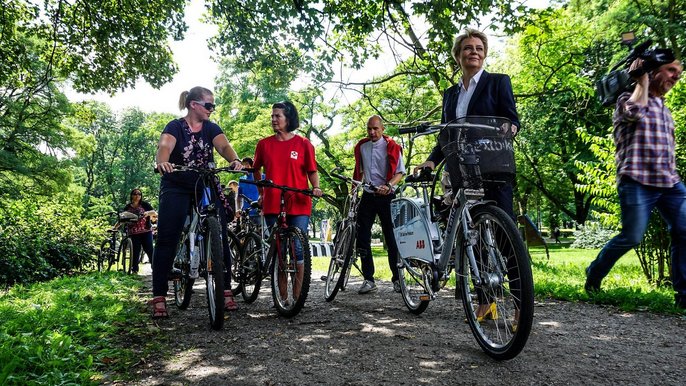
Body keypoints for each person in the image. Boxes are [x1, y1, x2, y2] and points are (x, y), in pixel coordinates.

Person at [413, 28, 520, 320]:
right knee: (475, 234)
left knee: (504, 234)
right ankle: (486, 301)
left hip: (494, 165)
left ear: (484, 54)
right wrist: (431, 162)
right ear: (458, 55)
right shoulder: (450, 95)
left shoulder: (498, 83)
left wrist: (508, 128)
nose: (474, 51)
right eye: (468, 48)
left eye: (479, 48)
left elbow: (512, 119)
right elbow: (446, 134)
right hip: (462, 169)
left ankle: (521, 305)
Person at [585, 57, 686, 309]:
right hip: (637, 180)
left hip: (669, 183)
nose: (677, 76)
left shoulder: (663, 107)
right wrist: (640, 80)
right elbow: (635, 111)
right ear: (653, 73)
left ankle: (683, 296)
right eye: (671, 70)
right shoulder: (625, 100)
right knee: (631, 236)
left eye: (679, 72)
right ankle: (594, 274)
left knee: (684, 232)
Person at [151, 86, 243, 319]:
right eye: (209, 105)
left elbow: (223, 146)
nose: (212, 109)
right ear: (194, 105)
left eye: (213, 105)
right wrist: (163, 162)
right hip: (177, 183)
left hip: (204, 182)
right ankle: (159, 295)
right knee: (167, 236)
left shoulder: (211, 128)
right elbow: (165, 147)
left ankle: (225, 289)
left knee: (220, 231)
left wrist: (234, 160)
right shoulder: (174, 127)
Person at [252, 101, 323, 303]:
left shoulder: (303, 144)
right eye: (272, 116)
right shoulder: (264, 144)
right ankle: (280, 297)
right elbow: (255, 169)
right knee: (280, 250)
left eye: (278, 116)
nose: (273, 119)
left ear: (288, 119)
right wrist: (261, 190)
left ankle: (298, 296)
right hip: (273, 202)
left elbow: (312, 170)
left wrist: (315, 187)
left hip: (299, 200)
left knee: (298, 247)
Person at [353, 115, 405, 294]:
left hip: (387, 195)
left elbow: (400, 172)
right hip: (368, 195)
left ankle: (397, 279)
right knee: (362, 237)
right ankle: (368, 279)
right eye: (369, 129)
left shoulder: (393, 146)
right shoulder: (362, 147)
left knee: (391, 238)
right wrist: (354, 189)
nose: (372, 132)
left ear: (382, 129)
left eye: (375, 128)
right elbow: (358, 171)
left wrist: (389, 185)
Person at [123, 189, 156, 274]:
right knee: (135, 251)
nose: (137, 196)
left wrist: (147, 213)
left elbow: (154, 213)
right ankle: (134, 269)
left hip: (146, 231)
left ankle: (155, 268)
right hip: (134, 233)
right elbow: (122, 219)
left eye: (139, 194)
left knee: (149, 249)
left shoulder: (144, 205)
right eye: (135, 194)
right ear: (131, 195)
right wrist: (114, 228)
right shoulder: (127, 207)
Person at [237, 157, 263, 225]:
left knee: (260, 234)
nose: (245, 167)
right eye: (243, 165)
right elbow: (238, 197)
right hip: (246, 213)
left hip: (259, 212)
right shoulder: (241, 180)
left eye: (247, 164)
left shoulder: (262, 177)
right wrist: (238, 209)